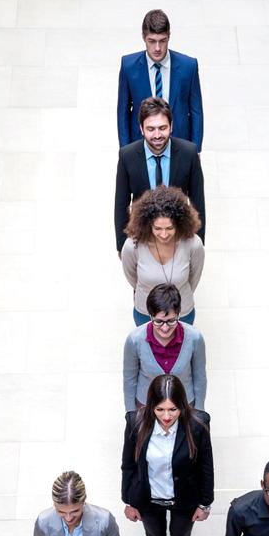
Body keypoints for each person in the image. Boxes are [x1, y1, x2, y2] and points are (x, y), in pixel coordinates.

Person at [121, 373, 213, 536]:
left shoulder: (198, 424)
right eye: (160, 409)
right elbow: (128, 465)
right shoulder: (135, 423)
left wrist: (205, 503)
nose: (166, 416)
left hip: (184, 497)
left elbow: (206, 467)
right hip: (149, 498)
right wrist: (128, 501)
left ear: (182, 405)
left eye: (173, 409)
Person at [114, 96, 205, 255]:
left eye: (162, 128)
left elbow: (198, 203)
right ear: (141, 129)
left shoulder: (189, 153)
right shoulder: (127, 156)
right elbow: (121, 205)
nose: (157, 135)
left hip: (179, 239)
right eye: (150, 129)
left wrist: (198, 245)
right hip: (142, 240)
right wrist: (123, 248)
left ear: (171, 126)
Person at [117, 8, 203, 151]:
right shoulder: (128, 66)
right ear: (144, 38)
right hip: (140, 144)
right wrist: (125, 150)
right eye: (152, 41)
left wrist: (196, 149)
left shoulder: (189, 66)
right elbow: (123, 111)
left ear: (169, 37)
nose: (157, 48)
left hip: (180, 143)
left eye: (162, 41)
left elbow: (196, 110)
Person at [121, 186, 204, 326]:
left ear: (179, 224)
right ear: (148, 225)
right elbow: (132, 278)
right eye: (157, 228)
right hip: (145, 314)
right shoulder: (132, 246)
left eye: (169, 228)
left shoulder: (193, 244)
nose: (164, 235)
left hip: (182, 314)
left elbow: (193, 279)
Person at [123, 284, 206, 412]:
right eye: (159, 321)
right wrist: (130, 414)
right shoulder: (135, 340)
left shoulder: (195, 338)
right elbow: (129, 380)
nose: (165, 328)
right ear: (150, 316)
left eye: (171, 321)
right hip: (146, 407)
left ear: (178, 314)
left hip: (184, 406)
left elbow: (199, 377)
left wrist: (199, 412)